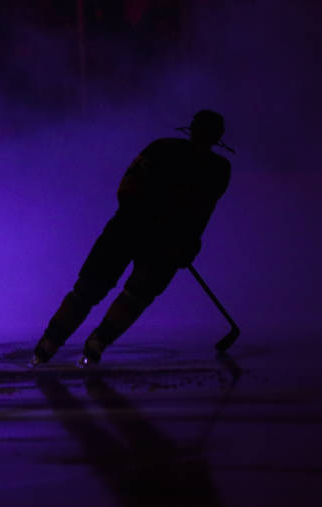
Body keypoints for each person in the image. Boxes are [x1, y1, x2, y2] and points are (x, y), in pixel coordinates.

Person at [31, 110, 231, 367]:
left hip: (144, 235)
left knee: (111, 292)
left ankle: (59, 346)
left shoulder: (175, 153)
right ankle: (80, 344)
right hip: (142, 233)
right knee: (110, 291)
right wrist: (180, 235)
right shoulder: (211, 166)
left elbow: (195, 209)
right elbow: (132, 191)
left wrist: (187, 240)